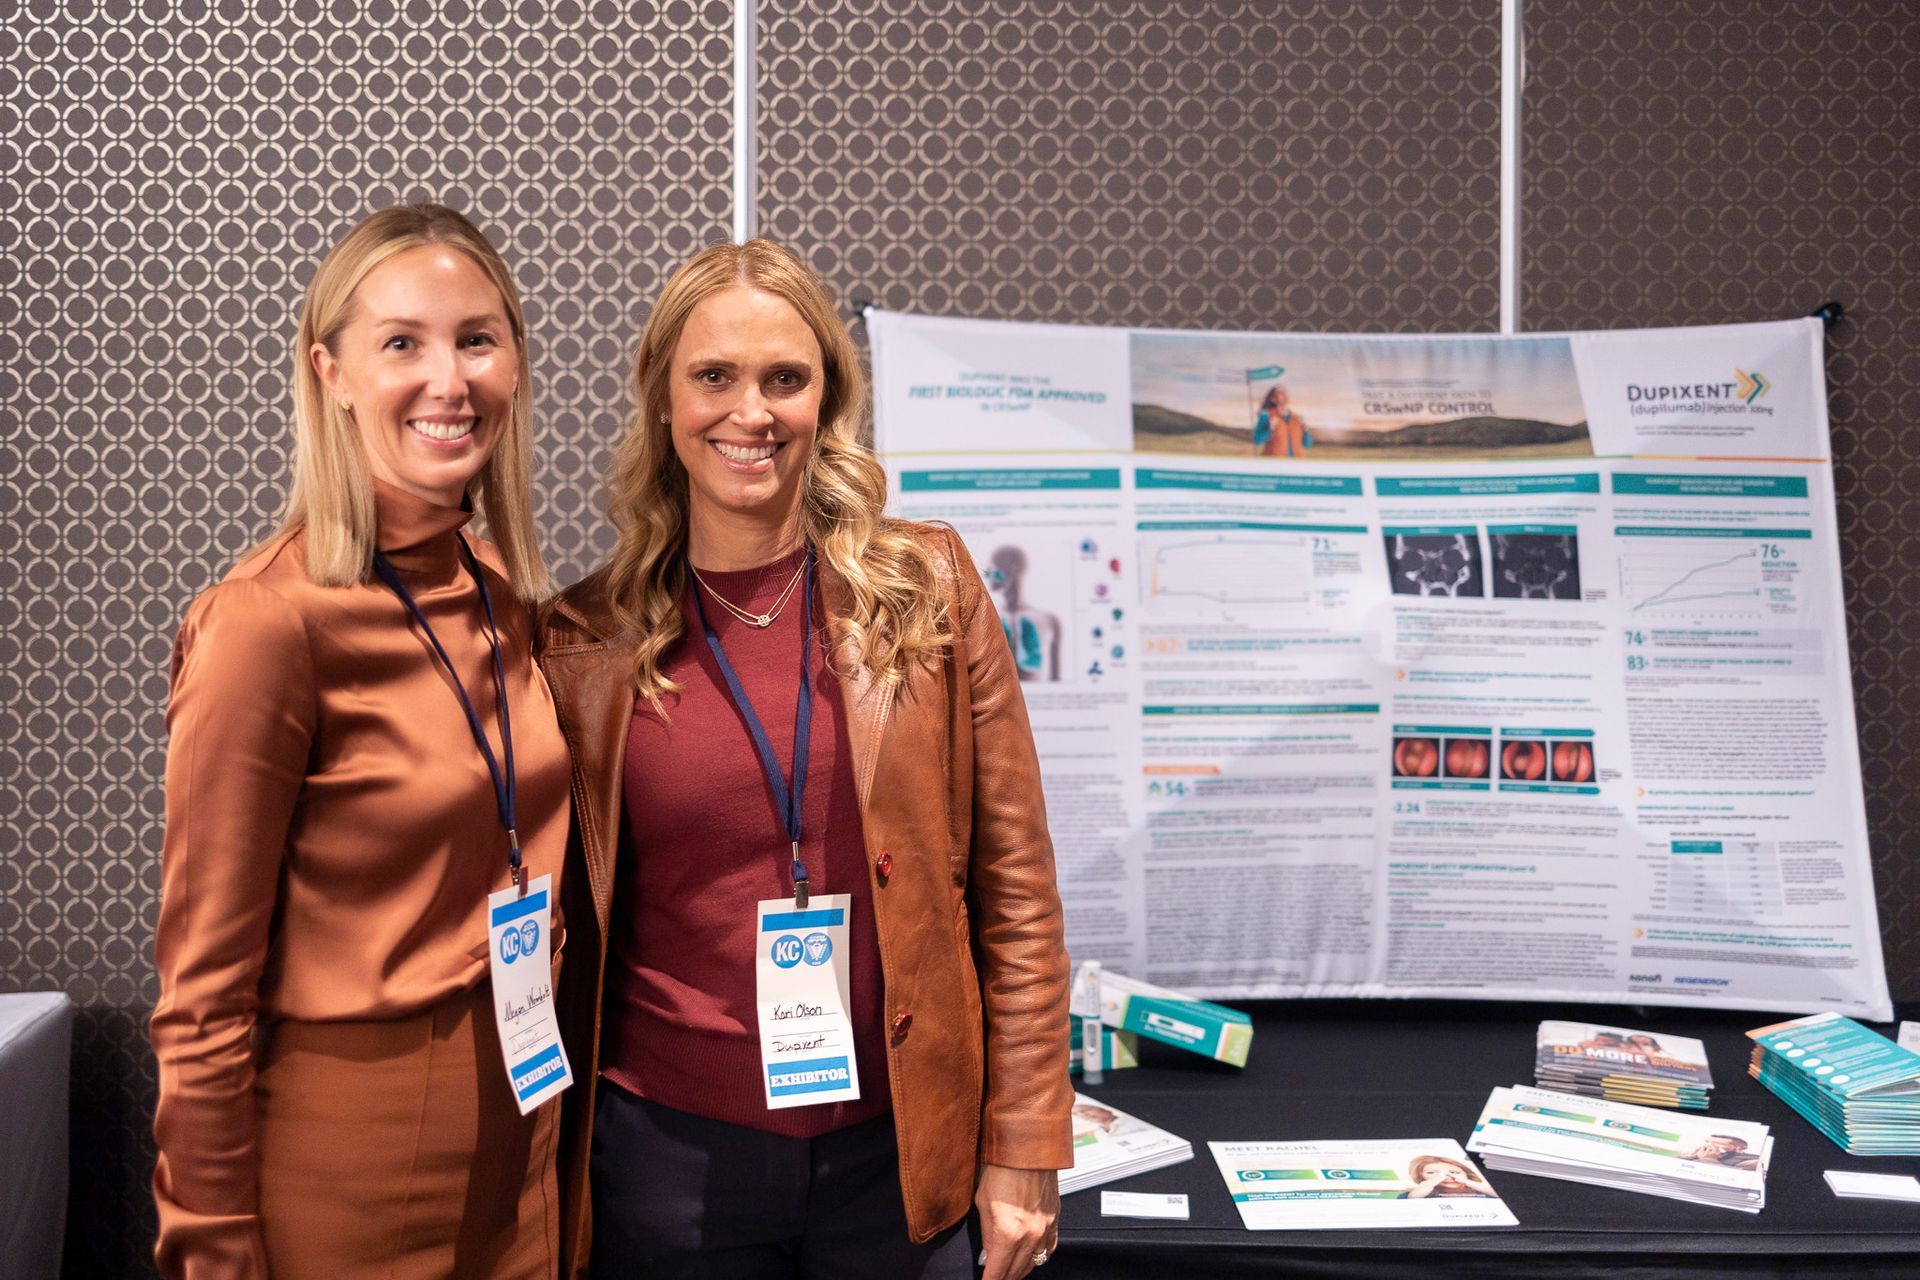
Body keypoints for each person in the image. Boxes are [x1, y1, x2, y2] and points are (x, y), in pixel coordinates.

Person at [539, 239, 1072, 1280]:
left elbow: (1018, 890)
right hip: (667, 1161)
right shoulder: (581, 640)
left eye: (786, 378)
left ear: (827, 399)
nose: (752, 411)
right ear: (662, 399)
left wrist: (1025, 1143)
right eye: (714, 377)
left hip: (896, 1149)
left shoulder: (931, 590)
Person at [149, 203, 572, 1279]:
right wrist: (208, 1243)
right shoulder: (267, 621)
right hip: (350, 1159)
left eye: (478, 338)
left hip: (524, 1134)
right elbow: (202, 991)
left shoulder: (501, 596)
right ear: (329, 371)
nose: (450, 378)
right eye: (402, 343)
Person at [1398, 1155, 1497, 1199]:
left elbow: (1497, 1195)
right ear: (1421, 1177)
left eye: (1454, 1172)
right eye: (1432, 1173)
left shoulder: (1483, 1191)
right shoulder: (1410, 1194)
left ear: (1466, 1173)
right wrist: (1423, 1188)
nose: (1447, 1176)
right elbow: (1411, 1200)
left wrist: (1470, 1182)